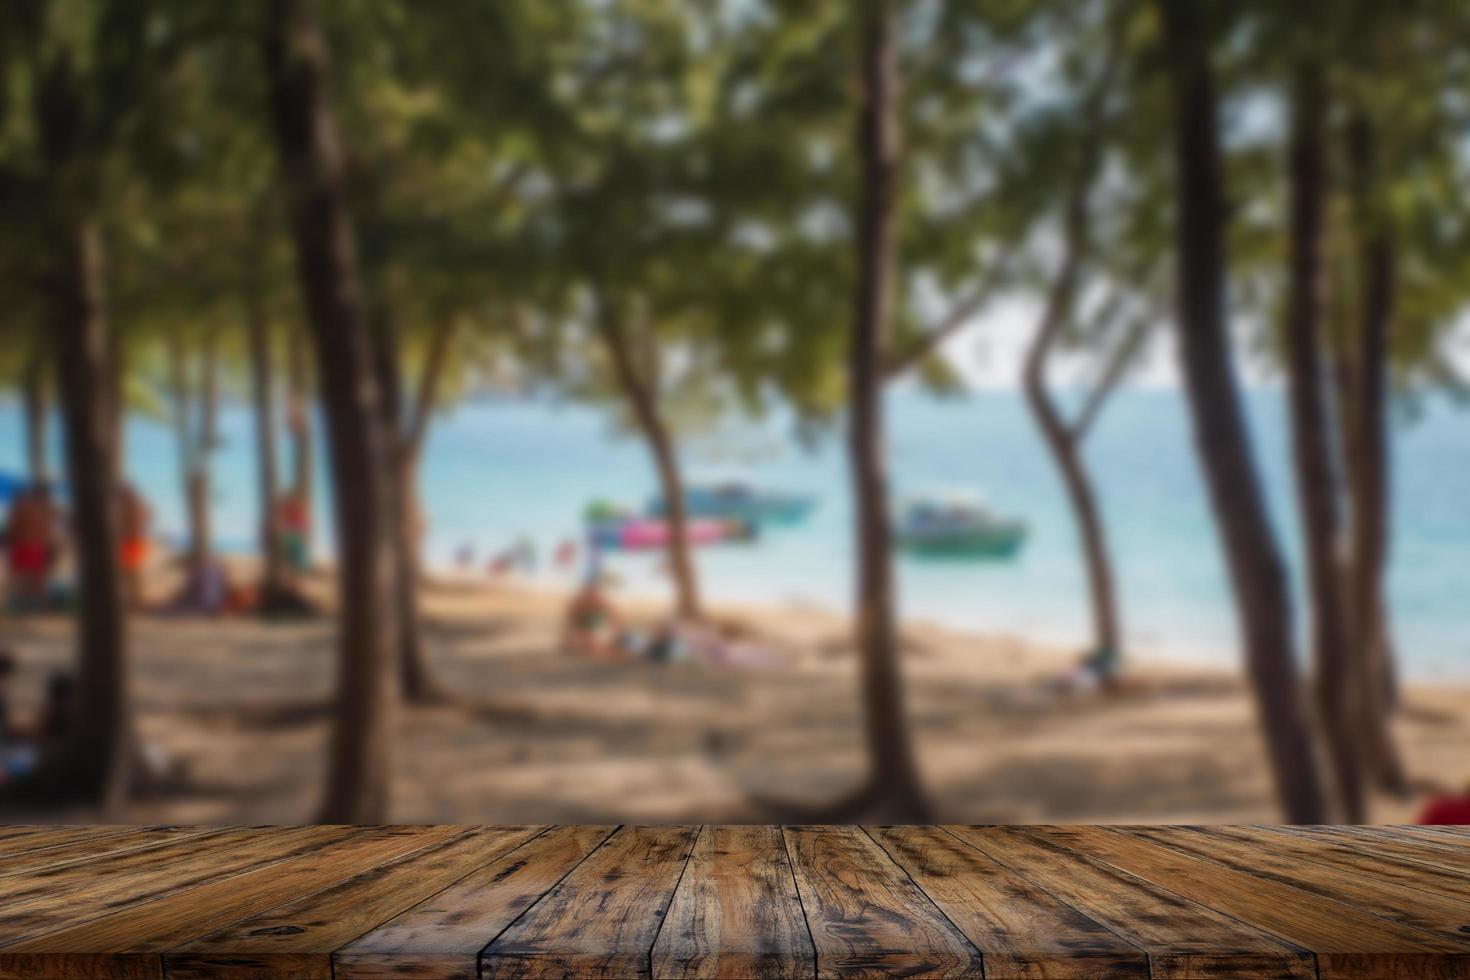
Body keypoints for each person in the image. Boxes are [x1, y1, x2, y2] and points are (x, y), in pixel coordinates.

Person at [5, 484, 60, 611]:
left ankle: (24, 606)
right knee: (36, 580)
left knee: (23, 579)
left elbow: (12, 529)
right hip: (38, 546)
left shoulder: (20, 509)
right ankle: (35, 606)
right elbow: (51, 532)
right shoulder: (47, 510)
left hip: (24, 546)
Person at [561, 575, 624, 659]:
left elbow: (614, 617)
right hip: (587, 625)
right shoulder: (580, 603)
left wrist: (615, 632)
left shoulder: (600, 602)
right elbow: (572, 620)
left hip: (596, 626)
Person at [118, 482, 152, 610]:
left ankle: (135, 602)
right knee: (131, 574)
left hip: (132, 541)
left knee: (131, 573)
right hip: (132, 541)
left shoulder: (131, 506)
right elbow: (149, 515)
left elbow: (148, 515)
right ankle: (134, 601)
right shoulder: (133, 506)